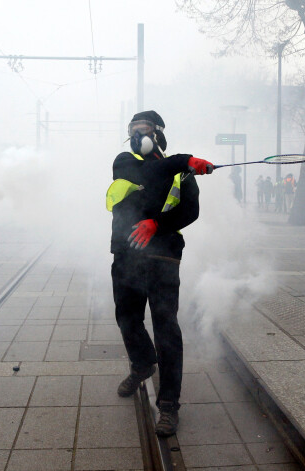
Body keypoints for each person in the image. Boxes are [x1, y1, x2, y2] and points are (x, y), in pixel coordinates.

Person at [106, 110, 214, 436]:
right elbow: (149, 175)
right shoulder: (125, 161)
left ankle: (168, 405)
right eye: (134, 130)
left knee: (167, 329)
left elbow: (190, 211)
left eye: (146, 129)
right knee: (127, 318)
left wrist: (158, 223)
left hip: (164, 258)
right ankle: (142, 363)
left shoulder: (181, 172)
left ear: (159, 133)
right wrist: (186, 159)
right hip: (126, 256)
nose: (139, 135)